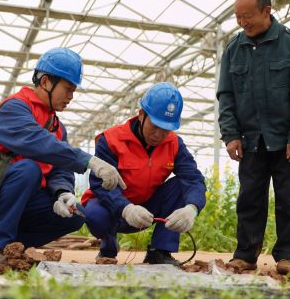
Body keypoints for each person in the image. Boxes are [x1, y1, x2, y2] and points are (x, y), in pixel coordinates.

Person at [0, 48, 126, 263]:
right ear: (46, 81)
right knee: (29, 168)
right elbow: (39, 143)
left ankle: (10, 248)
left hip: (19, 205)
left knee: (75, 215)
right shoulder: (15, 108)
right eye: (67, 88)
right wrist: (89, 160)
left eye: (74, 90)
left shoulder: (57, 126)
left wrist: (62, 193)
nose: (71, 96)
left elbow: (60, 168)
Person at [217, 0, 290, 275]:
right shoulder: (234, 49)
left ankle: (287, 257)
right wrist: (231, 134)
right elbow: (226, 96)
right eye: (238, 17)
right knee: (249, 197)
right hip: (250, 140)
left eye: (247, 16)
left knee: (289, 200)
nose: (242, 22)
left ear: (267, 11)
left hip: (287, 139)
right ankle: (246, 254)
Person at [81, 82, 207, 266]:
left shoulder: (174, 144)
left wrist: (192, 209)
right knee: (95, 215)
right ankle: (108, 246)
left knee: (181, 185)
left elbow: (193, 179)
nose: (159, 134)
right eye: (155, 125)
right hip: (114, 208)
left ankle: (159, 252)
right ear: (141, 115)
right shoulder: (111, 140)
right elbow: (100, 185)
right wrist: (126, 208)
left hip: (147, 209)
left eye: (166, 129)